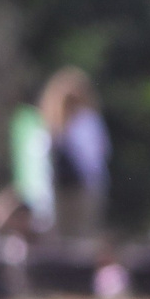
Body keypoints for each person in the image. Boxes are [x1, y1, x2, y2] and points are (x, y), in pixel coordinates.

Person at [40, 68, 110, 243]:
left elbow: (95, 156)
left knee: (82, 234)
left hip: (83, 186)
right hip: (59, 187)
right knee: (63, 235)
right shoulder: (48, 125)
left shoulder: (87, 121)